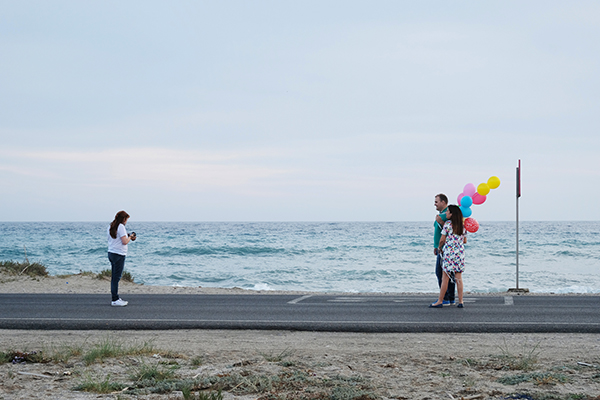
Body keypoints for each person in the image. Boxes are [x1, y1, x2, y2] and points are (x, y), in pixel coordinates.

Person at [430, 204, 467, 308]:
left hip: (449, 254)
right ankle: (460, 301)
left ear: (452, 214)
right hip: (459, 254)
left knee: (445, 278)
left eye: (448, 212)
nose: (446, 213)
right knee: (458, 277)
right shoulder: (462, 226)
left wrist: (439, 247)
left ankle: (440, 301)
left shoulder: (447, 224)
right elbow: (465, 240)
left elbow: (442, 239)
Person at [107, 210, 136, 307]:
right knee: (116, 278)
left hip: (111, 253)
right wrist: (130, 237)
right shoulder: (121, 226)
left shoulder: (111, 226)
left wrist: (127, 236)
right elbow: (124, 242)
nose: (126, 221)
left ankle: (115, 298)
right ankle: (115, 299)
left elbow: (116, 238)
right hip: (119, 254)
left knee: (114, 277)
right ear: (124, 219)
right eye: (126, 219)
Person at [433, 194, 455, 305]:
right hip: (440, 247)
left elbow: (448, 230)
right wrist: (435, 245)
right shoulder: (441, 214)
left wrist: (439, 247)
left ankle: (446, 297)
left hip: (445, 248)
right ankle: (450, 298)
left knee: (441, 273)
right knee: (448, 273)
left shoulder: (447, 215)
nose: (435, 204)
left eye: (436, 201)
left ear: (443, 202)